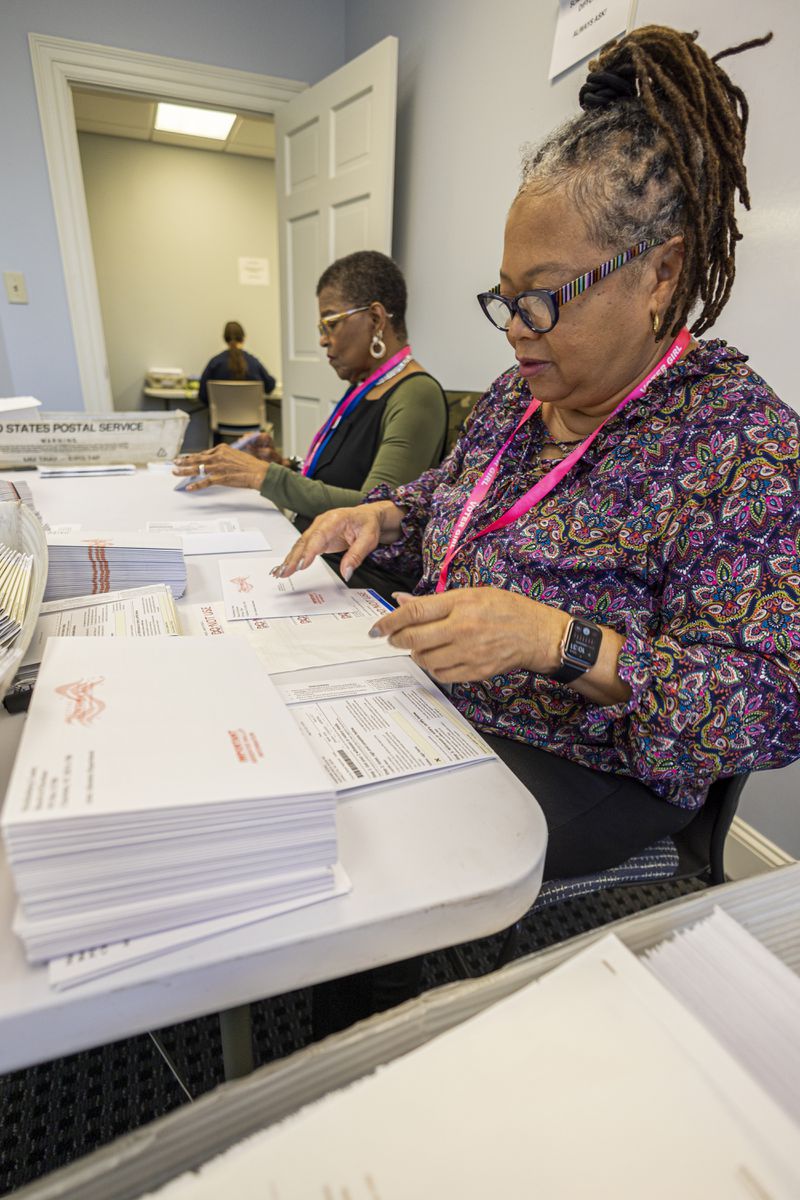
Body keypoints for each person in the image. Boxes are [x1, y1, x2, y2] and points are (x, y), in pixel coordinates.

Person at [277, 26, 800, 899]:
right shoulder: (523, 396)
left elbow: (773, 702)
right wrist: (385, 515)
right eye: (507, 297)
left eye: (546, 297)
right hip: (446, 708)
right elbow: (452, 494)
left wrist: (555, 640)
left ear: (661, 274)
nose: (518, 326)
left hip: (587, 767)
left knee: (368, 859)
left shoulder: (742, 446)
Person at [173, 253, 448, 590]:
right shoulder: (365, 387)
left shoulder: (416, 394)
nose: (322, 339)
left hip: (355, 575)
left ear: (376, 319)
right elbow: (342, 475)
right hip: (314, 552)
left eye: (330, 323)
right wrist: (282, 465)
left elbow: (370, 511)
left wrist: (264, 476)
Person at [196, 320, 276, 409]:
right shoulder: (253, 362)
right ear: (243, 338)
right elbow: (270, 386)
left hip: (221, 421)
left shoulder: (215, 363)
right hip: (252, 421)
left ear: (225, 339)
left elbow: (202, 395)